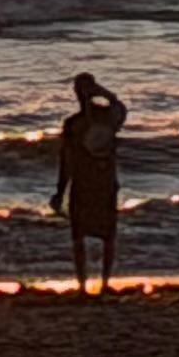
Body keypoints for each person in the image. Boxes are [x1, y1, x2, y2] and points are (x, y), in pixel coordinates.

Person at [48, 72, 126, 294]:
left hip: (104, 182)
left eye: (86, 89)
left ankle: (104, 283)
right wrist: (60, 190)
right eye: (79, 90)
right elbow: (66, 159)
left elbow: (120, 109)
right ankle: (82, 284)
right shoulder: (72, 124)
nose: (82, 94)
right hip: (82, 183)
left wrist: (104, 93)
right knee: (78, 235)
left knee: (108, 234)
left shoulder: (107, 117)